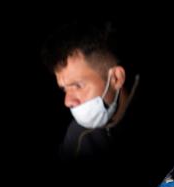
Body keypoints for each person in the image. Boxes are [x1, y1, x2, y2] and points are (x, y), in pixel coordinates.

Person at [41, 20, 140, 160]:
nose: (68, 101)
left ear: (116, 78)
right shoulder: (78, 137)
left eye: (78, 85)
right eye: (64, 89)